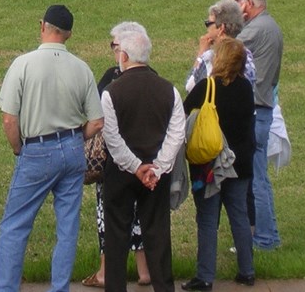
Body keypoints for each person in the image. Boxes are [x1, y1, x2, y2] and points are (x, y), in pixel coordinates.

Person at [0, 5, 103, 292]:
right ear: (69, 34)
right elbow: (97, 121)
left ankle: (5, 288)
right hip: (72, 148)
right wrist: (78, 138)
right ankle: (59, 288)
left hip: (37, 150)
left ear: (43, 26)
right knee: (67, 227)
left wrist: (18, 148)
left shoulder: (23, 64)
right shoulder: (82, 67)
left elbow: (8, 118)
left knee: (15, 225)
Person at [101, 21, 185, 292]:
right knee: (158, 233)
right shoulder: (169, 90)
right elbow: (176, 135)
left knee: (116, 235)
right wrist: (157, 168)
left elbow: (112, 138)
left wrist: (136, 168)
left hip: (121, 173)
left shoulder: (112, 92)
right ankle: (163, 286)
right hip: (156, 175)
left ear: (124, 56)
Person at [182, 37, 255, 292]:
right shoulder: (246, 88)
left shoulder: (206, 87)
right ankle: (247, 271)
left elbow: (183, 111)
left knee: (207, 219)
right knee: (239, 216)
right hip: (241, 162)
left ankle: (205, 277)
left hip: (210, 165)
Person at [82, 33, 151, 289]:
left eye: (114, 46)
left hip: (116, 160)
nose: (113, 51)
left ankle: (104, 272)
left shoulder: (113, 77)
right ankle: (145, 270)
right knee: (142, 215)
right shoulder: (152, 76)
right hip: (147, 161)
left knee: (108, 217)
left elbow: (96, 114)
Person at [224, 0, 283, 250]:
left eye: (237, 3)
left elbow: (224, 54)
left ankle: (265, 237)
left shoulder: (255, 30)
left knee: (256, 179)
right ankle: (262, 235)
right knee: (256, 177)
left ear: (247, 4)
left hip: (256, 111)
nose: (234, 9)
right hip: (264, 107)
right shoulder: (270, 26)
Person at [185, 0, 256, 94]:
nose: (207, 28)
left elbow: (190, 87)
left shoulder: (210, 56)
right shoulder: (247, 54)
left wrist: (201, 52)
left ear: (221, 28)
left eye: (208, 23)